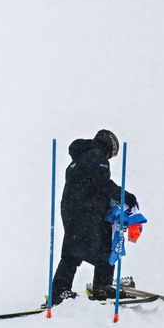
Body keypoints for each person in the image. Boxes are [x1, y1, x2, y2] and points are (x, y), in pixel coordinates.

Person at [49, 128, 138, 305]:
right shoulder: (97, 156)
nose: (109, 157)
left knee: (73, 249)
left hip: (71, 209)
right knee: (106, 241)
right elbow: (101, 183)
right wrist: (124, 196)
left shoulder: (80, 157)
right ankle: (100, 287)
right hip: (86, 210)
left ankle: (61, 290)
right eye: (111, 153)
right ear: (107, 145)